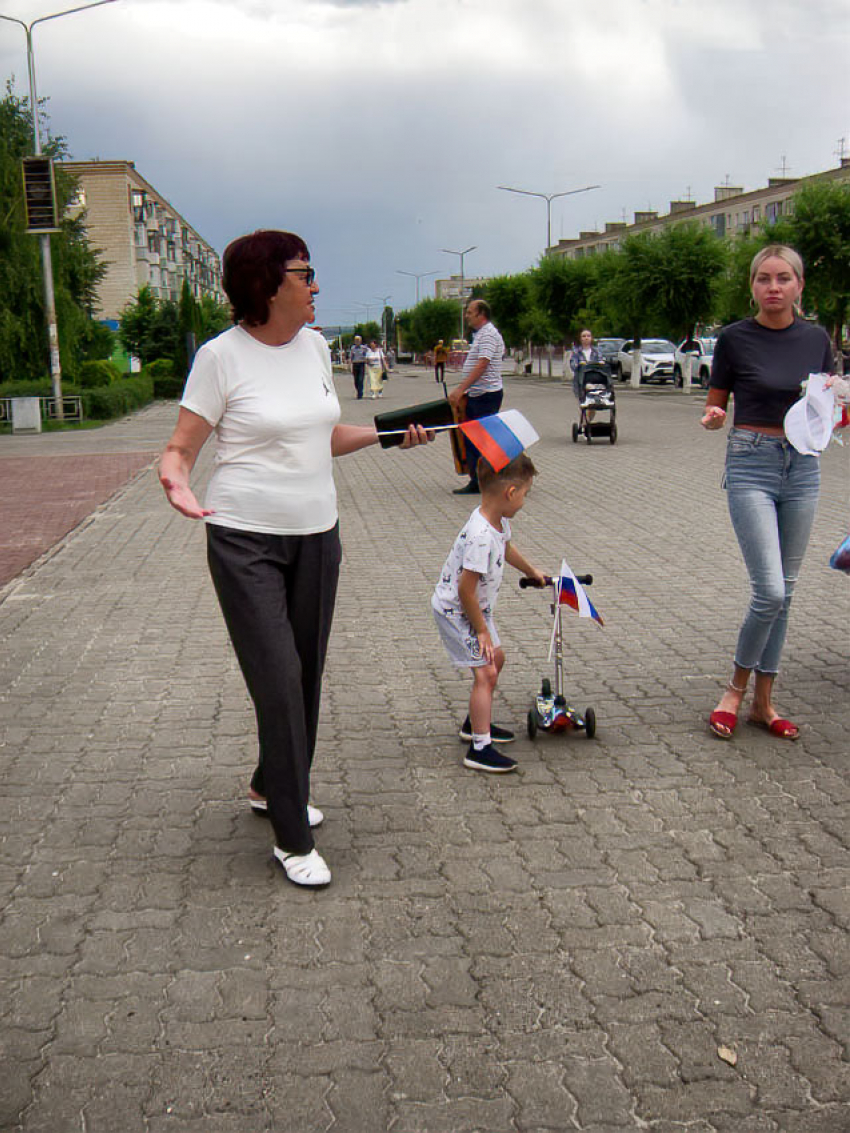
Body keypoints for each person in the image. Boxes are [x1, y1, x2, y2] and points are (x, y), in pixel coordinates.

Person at [159, 230, 432, 888]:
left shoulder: (316, 346)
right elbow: (180, 447)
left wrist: (388, 434)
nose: (315, 286)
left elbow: (320, 434)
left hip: (318, 533)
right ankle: (291, 832)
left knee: (304, 675)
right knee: (278, 678)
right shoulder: (221, 358)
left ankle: (267, 782)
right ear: (266, 283)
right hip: (244, 538)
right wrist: (176, 481)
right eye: (306, 273)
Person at [701, 244, 834, 742]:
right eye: (763, 278)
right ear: (752, 286)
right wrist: (713, 418)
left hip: (803, 468)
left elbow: (825, 406)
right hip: (751, 462)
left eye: (783, 278)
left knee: (789, 590)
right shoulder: (734, 339)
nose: (773, 287)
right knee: (770, 590)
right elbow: (716, 405)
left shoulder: (817, 339)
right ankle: (733, 690)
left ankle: (764, 703)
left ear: (800, 286)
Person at [432, 453, 547, 773]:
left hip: (474, 609)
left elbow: (507, 547)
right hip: (457, 610)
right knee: (486, 672)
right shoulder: (481, 536)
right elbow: (464, 590)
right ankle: (479, 748)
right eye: (525, 493)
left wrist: (532, 570)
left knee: (496, 659)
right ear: (511, 493)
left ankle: (475, 723)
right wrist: (481, 629)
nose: (525, 500)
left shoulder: (496, 521)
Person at [448, 300, 506, 494]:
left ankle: (484, 480)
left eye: (470, 312)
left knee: (479, 438)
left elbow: (482, 365)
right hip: (479, 393)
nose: (467, 316)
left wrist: (460, 389)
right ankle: (481, 478)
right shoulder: (482, 334)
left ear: (481, 314)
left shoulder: (488, 335)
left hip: (485, 394)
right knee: (476, 437)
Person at [569, 329, 604, 422]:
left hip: (595, 382)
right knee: (586, 405)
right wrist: (579, 365)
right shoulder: (576, 352)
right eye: (584, 336)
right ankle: (586, 425)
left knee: (593, 407)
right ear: (580, 339)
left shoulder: (596, 351)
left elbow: (601, 363)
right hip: (581, 383)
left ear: (591, 338)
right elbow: (573, 365)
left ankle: (586, 422)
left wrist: (600, 363)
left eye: (588, 336)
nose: (586, 338)